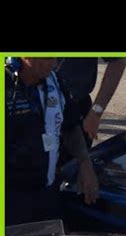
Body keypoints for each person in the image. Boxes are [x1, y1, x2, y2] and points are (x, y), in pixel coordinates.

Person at [6, 57, 99, 226]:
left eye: (55, 58)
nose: (53, 64)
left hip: (46, 192)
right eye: (47, 58)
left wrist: (85, 163)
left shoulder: (55, 81)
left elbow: (71, 127)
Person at [55, 57, 126, 148]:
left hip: (75, 110)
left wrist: (96, 112)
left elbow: (118, 61)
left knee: (77, 160)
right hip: (36, 108)